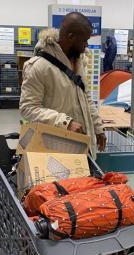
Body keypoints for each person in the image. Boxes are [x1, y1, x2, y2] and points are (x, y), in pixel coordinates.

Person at [19, 12, 106, 157]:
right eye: (84, 40)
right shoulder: (38, 67)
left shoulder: (78, 63)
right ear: (71, 37)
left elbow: (86, 98)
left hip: (82, 148)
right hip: (55, 151)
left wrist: (98, 127)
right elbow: (28, 108)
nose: (86, 46)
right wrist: (65, 122)